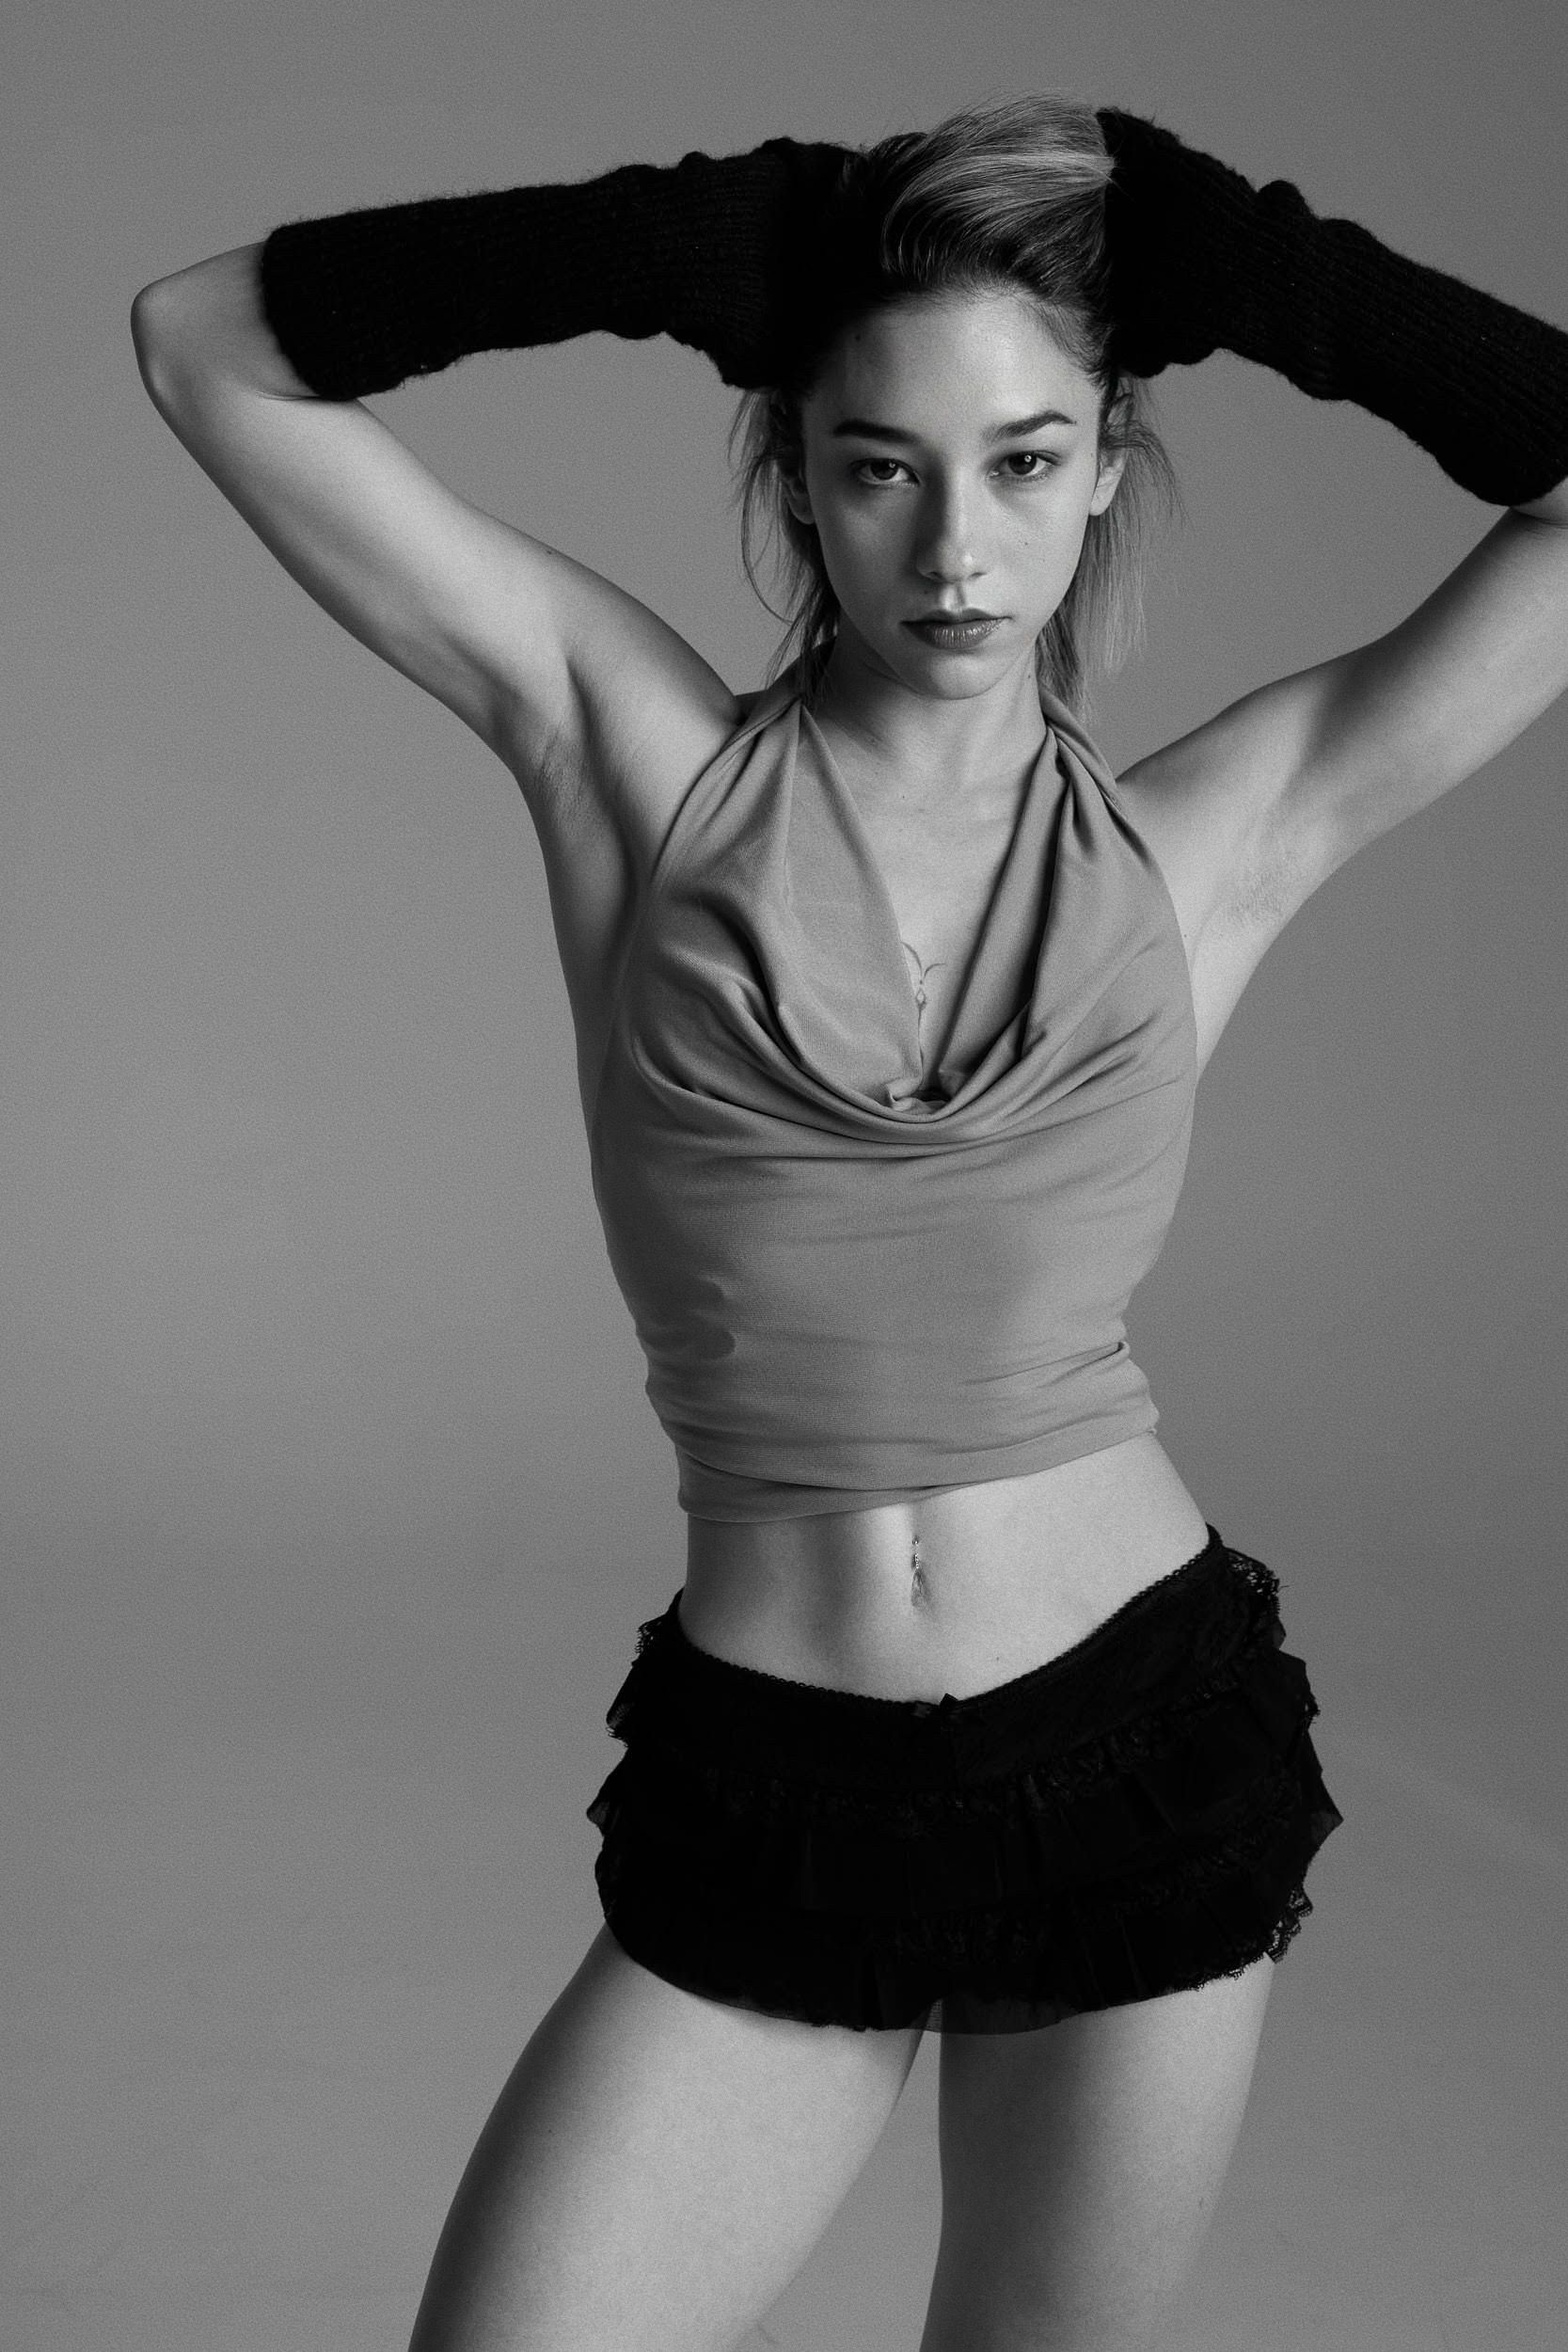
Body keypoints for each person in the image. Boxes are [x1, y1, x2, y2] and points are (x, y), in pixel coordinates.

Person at [132, 92, 1568, 2352]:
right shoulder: (625, 750)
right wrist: (676, 239)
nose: (959, 545)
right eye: (883, 462)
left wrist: (1266, 274)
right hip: (773, 1789)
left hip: (1141, 1752)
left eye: (1024, 459)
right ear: (798, 469)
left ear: (1107, 462)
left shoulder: (1207, 844)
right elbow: (204, 342)